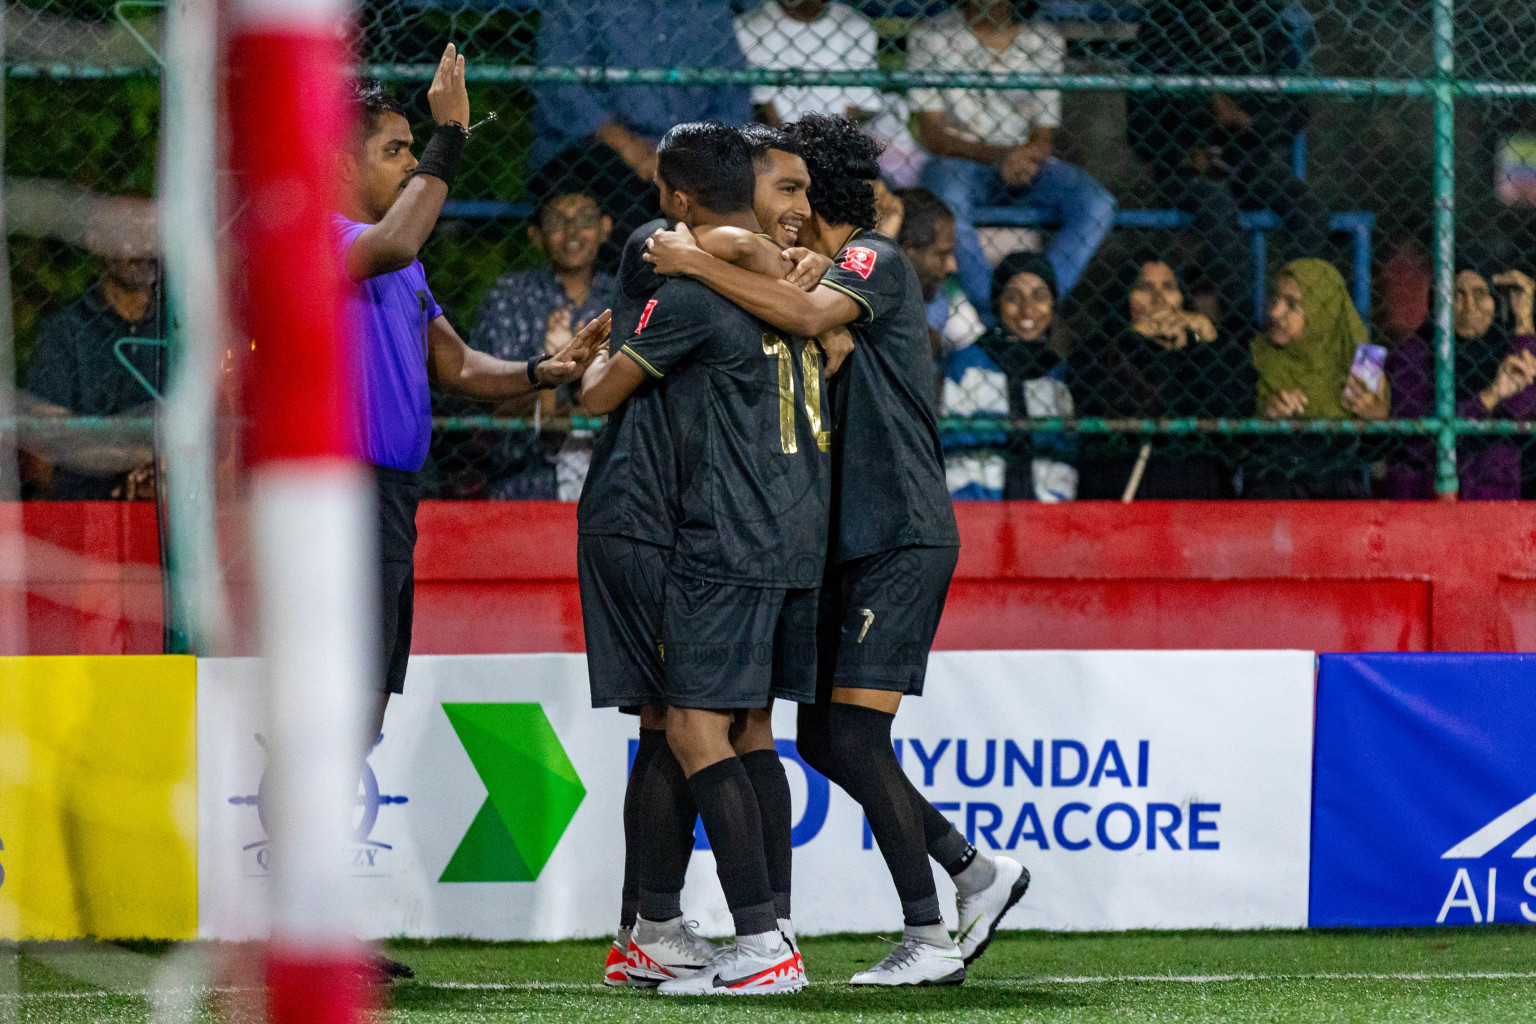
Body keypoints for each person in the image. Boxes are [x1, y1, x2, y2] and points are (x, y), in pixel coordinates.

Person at [645, 113, 1027, 986]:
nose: (780, 203)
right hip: (847, 540)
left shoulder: (872, 257)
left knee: (851, 739)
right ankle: (974, 873)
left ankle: (931, 935)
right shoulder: (826, 268)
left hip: (896, 530)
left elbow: (818, 315)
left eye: (789, 185)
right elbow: (830, 337)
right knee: (824, 737)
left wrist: (699, 261)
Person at [334, 52, 607, 981]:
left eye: (416, 151)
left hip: (391, 503)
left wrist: (545, 372)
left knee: (360, 715)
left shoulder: (397, 263)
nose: (411, 167)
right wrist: (453, 134)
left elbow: (456, 367)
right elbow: (400, 241)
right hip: (339, 500)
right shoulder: (323, 237)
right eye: (395, 150)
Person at [582, 121, 825, 996]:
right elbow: (719, 245)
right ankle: (670, 928)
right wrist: (775, 259)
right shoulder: (718, 270)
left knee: (687, 723)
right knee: (699, 721)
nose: (795, 214)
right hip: (718, 525)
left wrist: (769, 258)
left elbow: (596, 391)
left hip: (705, 526)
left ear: (674, 192)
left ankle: (741, 935)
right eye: (784, 191)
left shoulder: (708, 277)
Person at [1128, 1, 1331, 334]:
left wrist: (1246, 120)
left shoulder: (1267, 20)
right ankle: (1241, 332)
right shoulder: (1164, 17)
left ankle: (1292, 315)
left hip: (1247, 159)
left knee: (1310, 214)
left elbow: (1295, 112)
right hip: (1184, 166)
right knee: (1218, 207)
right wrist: (1187, 140)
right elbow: (1139, 126)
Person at [909, 0, 1115, 318]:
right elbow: (934, 137)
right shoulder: (932, 35)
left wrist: (1024, 158)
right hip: (960, 161)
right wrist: (1003, 155)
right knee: (948, 196)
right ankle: (994, 308)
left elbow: (1043, 135)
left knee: (1098, 204)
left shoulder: (1042, 38)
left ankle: (1035, 305)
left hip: (1026, 165)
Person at [530, 0, 752, 256]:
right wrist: (627, 146)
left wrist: (686, 154)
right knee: (622, 199)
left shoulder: (709, 9)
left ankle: (695, 292)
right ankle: (626, 293)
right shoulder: (578, 5)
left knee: (729, 193)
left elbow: (733, 101)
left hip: (691, 152)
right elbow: (560, 86)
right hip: (598, 144)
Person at [463, 190, 616, 500]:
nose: (572, 232)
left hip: (609, 484)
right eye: (558, 221)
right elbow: (492, 401)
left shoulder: (623, 298)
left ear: (605, 228)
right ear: (536, 235)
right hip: (525, 480)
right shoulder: (508, 296)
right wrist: (554, 370)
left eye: (585, 220)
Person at [1070, 254, 1254, 499]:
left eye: (1168, 287)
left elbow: (1236, 407)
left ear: (1182, 298)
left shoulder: (1202, 353)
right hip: (1125, 499)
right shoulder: (1099, 352)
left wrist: (1209, 340)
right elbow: (1104, 399)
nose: (1158, 300)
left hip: (1197, 502)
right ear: (1125, 297)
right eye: (1145, 288)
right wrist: (1135, 340)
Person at [1382, 252, 1536, 499]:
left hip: (1494, 500)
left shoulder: (1507, 348)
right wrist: (1490, 396)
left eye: (1480, 294)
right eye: (1457, 295)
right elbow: (1418, 441)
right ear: (1437, 301)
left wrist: (1525, 322)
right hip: (1424, 500)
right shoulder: (1413, 354)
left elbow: (1523, 410)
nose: (1470, 307)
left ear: (1496, 301)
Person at [23, 255, 162, 499]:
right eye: (127, 227)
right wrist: (142, 459)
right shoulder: (65, 330)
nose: (143, 244)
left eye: (150, 228)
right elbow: (47, 440)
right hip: (87, 505)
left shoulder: (177, 328)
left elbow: (219, 438)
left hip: (170, 506)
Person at [941, 251, 1075, 501]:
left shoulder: (1056, 371)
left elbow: (1063, 454)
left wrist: (1052, 508)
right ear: (997, 302)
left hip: (1044, 515)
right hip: (976, 510)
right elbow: (954, 446)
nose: (1028, 309)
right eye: (1013, 297)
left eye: (1040, 296)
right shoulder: (969, 363)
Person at [1249, 258, 1385, 499]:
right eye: (1275, 300)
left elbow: (1378, 451)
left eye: (1292, 305)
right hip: (1277, 494)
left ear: (1323, 310)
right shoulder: (1257, 354)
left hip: (1340, 496)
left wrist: (1375, 415)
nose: (1274, 312)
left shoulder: (1362, 357)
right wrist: (1266, 416)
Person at [734, 0, 880, 127]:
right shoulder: (752, 24)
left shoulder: (856, 26)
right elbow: (765, 107)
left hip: (837, 140)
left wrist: (836, 145)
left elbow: (860, 104)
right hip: (780, 140)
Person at [893, 187, 984, 359]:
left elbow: (922, 349)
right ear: (907, 252)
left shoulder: (935, 294)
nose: (952, 266)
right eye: (942, 254)